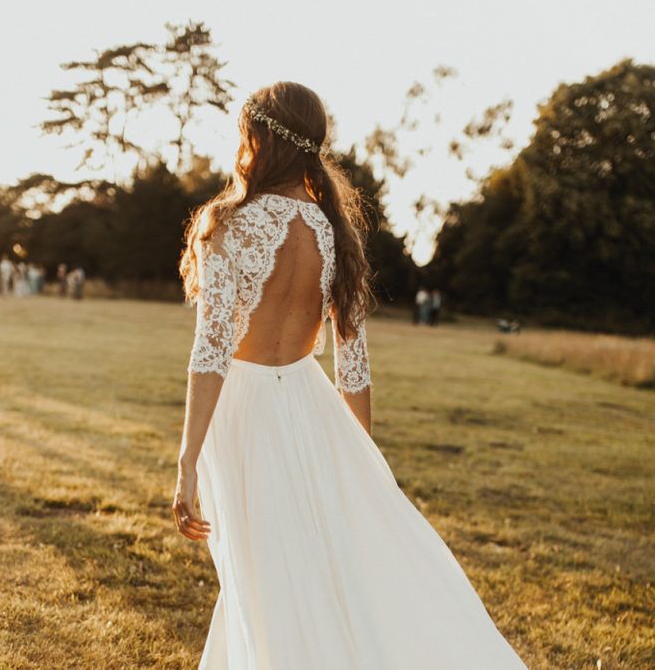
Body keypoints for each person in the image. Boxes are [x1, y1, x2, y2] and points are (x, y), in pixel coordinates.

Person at [173, 82, 526, 669]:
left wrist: (187, 462)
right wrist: (362, 460)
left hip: (244, 414)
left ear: (258, 139)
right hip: (314, 407)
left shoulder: (227, 223)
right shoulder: (334, 231)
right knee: (315, 561)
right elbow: (353, 363)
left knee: (259, 569)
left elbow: (211, 352)